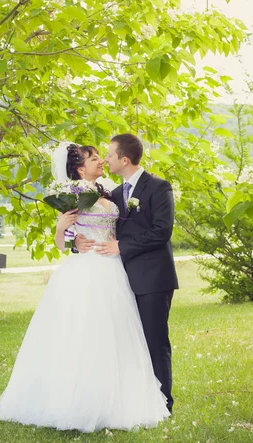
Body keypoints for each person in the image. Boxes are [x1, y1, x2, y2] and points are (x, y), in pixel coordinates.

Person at [0, 143, 170, 432]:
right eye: (94, 158)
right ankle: (75, 400)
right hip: (86, 272)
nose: (101, 161)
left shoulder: (108, 190)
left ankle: (118, 399)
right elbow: (62, 243)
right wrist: (64, 229)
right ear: (79, 168)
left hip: (114, 270)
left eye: (102, 156)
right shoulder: (71, 194)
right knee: (82, 333)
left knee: (116, 334)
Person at [76, 134, 178, 413]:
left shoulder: (159, 187)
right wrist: (77, 242)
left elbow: (162, 231)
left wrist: (122, 245)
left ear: (124, 159)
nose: (105, 159)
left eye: (109, 154)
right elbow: (96, 223)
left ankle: (163, 402)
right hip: (121, 280)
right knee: (130, 341)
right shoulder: (115, 194)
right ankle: (136, 399)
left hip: (153, 279)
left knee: (154, 340)